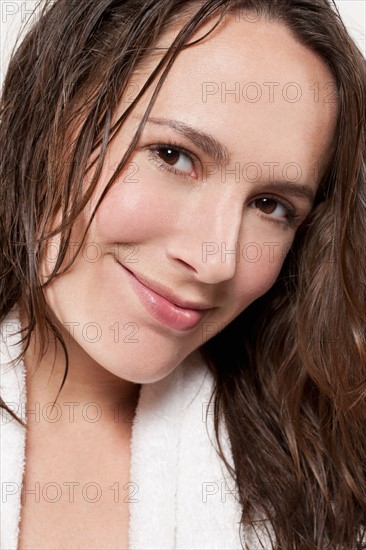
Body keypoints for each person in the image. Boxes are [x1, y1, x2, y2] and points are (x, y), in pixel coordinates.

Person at [0, 0, 365, 548]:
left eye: (269, 205)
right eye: (173, 155)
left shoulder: (330, 479)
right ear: (50, 114)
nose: (217, 260)